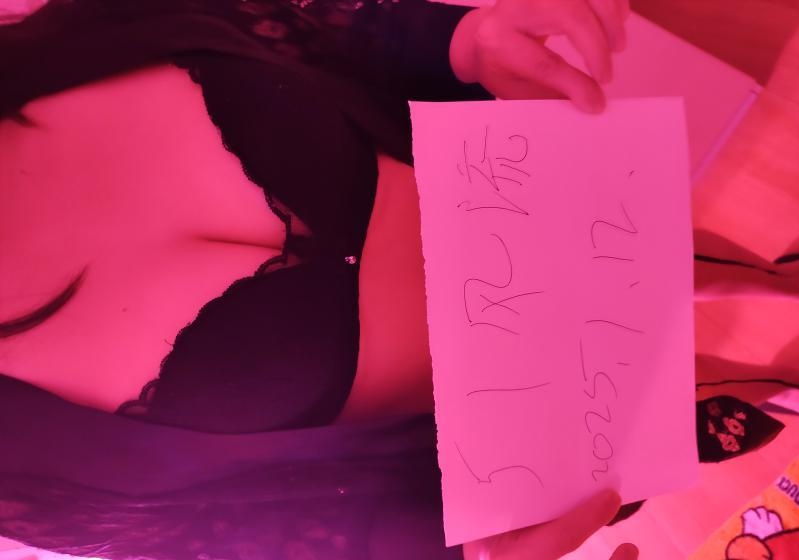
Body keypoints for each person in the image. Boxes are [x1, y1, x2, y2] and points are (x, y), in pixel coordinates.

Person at [0, 0, 652, 558]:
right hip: (582, 421)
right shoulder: (20, 466)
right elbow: (235, 538)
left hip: (599, 209)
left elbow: (314, 36)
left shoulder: (62, 35)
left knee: (702, 256)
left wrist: (463, 44)